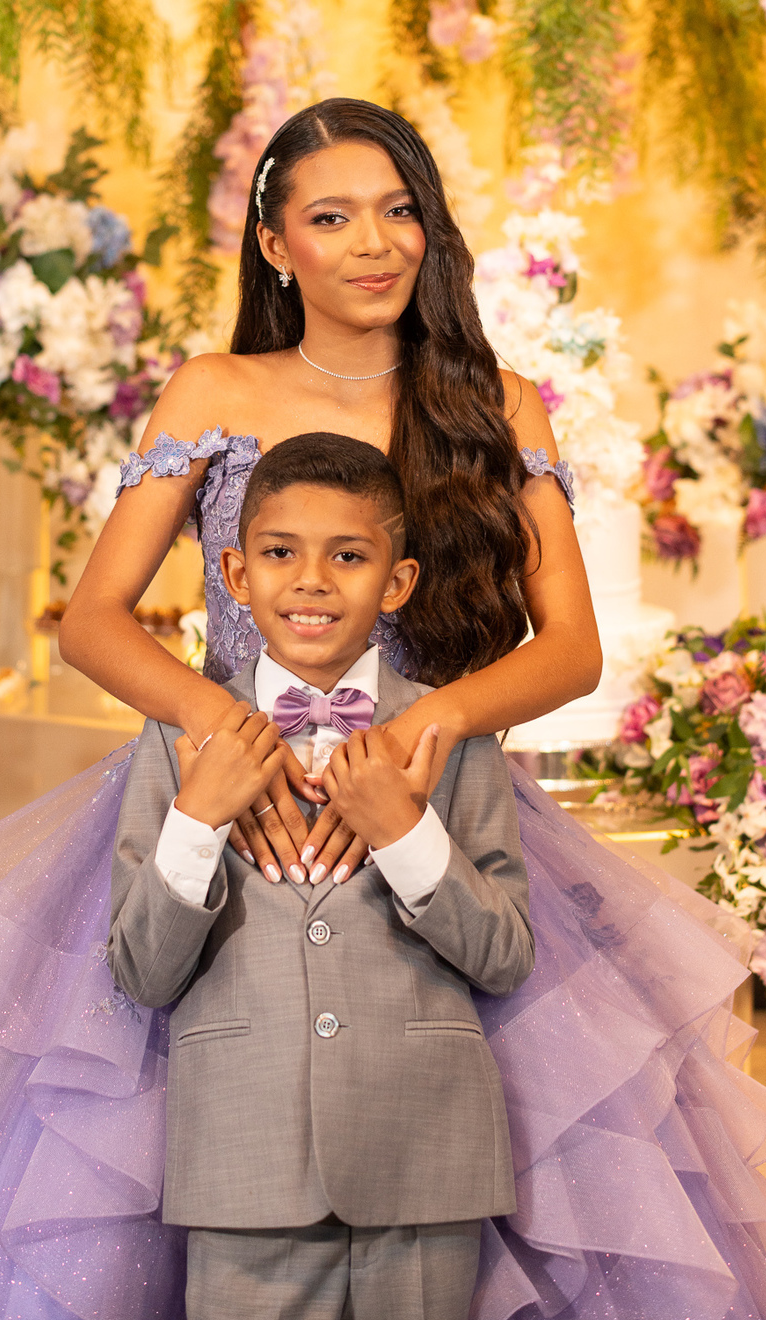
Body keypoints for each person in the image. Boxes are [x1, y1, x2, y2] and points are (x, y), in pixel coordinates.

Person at [0, 97, 766, 1320]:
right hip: (223, 804)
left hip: (433, 801)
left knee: (507, 1177)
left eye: (399, 211)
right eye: (332, 218)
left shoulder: (498, 401)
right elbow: (97, 618)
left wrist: (414, 742)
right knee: (147, 1170)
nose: (374, 242)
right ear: (276, 244)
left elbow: (572, 650)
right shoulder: (213, 390)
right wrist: (235, 743)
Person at [108, 431, 535, 1320]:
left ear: (398, 581)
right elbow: (141, 971)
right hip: (244, 1156)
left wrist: (405, 831)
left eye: (348, 556)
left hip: (425, 1156)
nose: (311, 581)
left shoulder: (450, 735)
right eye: (279, 553)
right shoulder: (176, 738)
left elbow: (504, 957)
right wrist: (199, 816)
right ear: (234, 572)